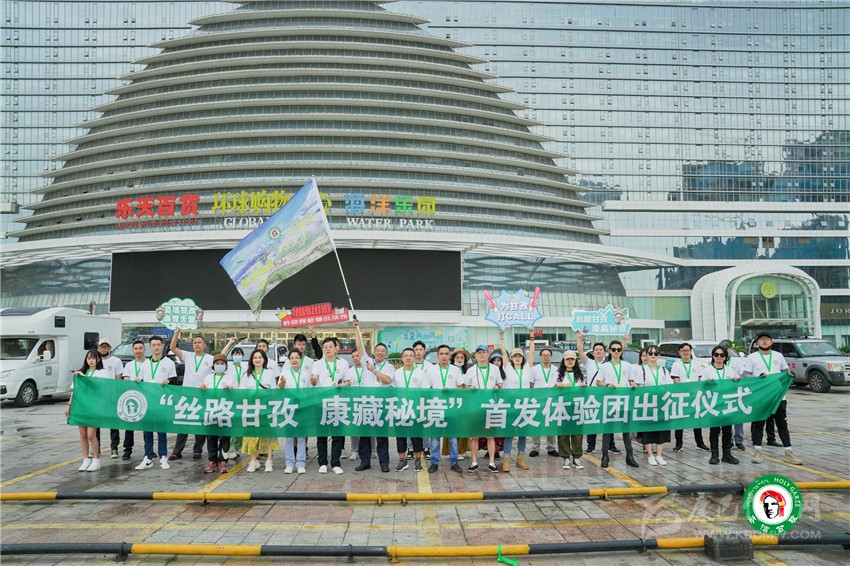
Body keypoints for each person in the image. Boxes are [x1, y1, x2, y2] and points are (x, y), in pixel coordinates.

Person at [744, 333, 802, 465]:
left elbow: (785, 371)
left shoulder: (778, 355)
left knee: (782, 424)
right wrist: (759, 377)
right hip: (761, 396)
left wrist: (789, 374)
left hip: (778, 396)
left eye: (767, 340)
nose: (764, 342)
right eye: (761, 340)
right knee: (759, 424)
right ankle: (757, 452)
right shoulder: (752, 357)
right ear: (757, 343)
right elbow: (746, 375)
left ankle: (789, 452)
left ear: (771, 342)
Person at [168, 330, 219, 460]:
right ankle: (177, 451)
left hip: (202, 395)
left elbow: (221, 357)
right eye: (195, 342)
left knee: (200, 423)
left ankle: (197, 450)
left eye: (199, 342)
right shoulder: (188, 356)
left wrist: (229, 343)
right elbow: (172, 348)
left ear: (204, 345)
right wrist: (176, 333)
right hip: (187, 396)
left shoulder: (210, 358)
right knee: (184, 423)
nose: (197, 344)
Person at [352, 319, 394, 473]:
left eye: (383, 351)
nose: (380, 353)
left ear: (386, 354)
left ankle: (384, 463)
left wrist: (374, 371)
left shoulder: (389, 366)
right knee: (364, 435)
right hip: (366, 404)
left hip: (381, 405)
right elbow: (359, 346)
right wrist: (356, 327)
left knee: (382, 436)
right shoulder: (367, 361)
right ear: (374, 352)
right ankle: (365, 462)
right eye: (378, 350)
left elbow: (387, 380)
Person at [126, 339, 172, 471]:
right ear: (150, 347)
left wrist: (169, 381)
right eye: (154, 345)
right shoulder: (145, 364)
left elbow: (174, 380)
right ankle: (148, 457)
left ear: (162, 346)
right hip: (147, 402)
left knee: (161, 431)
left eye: (158, 345)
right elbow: (141, 380)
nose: (156, 347)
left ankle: (163, 456)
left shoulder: (168, 362)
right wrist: (137, 381)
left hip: (161, 402)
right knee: (147, 431)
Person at [597, 340, 639, 468]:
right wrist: (607, 385)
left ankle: (630, 456)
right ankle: (605, 456)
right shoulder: (605, 366)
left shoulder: (627, 365)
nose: (616, 352)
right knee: (607, 430)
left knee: (626, 430)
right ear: (610, 351)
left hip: (624, 401)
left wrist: (633, 384)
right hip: (610, 402)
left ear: (621, 351)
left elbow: (631, 380)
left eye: (618, 349)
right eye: (614, 349)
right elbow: (598, 382)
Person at [65, 349, 110, 472]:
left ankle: (96, 460)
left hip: (94, 407)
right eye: (89, 358)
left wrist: (85, 378)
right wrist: (69, 405)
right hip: (81, 406)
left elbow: (100, 387)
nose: (91, 360)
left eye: (93, 358)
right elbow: (75, 391)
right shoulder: (81, 372)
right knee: (83, 434)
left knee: (91, 435)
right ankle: (85, 459)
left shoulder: (102, 372)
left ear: (98, 359)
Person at [311, 337, 350, 474]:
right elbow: (314, 381)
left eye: (330, 346)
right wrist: (313, 380)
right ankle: (322, 463)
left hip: (337, 403)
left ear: (336, 348)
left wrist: (341, 385)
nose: (327, 349)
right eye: (325, 347)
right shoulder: (318, 364)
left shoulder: (343, 363)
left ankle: (335, 463)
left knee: (337, 435)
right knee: (321, 435)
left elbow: (348, 381)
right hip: (320, 403)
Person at [577, 332, 620, 455]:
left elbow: (619, 350)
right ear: (593, 352)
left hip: (606, 396)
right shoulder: (589, 362)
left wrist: (624, 339)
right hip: (592, 396)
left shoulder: (609, 364)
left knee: (608, 421)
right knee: (592, 421)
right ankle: (591, 446)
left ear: (605, 352)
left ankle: (611, 445)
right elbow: (580, 352)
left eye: (601, 350)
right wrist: (579, 338)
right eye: (596, 350)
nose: (599, 351)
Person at [499, 329, 534, 472]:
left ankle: (520, 460)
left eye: (520, 356)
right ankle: (506, 460)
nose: (517, 358)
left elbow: (532, 353)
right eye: (515, 356)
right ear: (511, 358)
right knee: (509, 434)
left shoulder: (527, 368)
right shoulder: (507, 368)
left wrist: (532, 337)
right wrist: (501, 338)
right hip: (511, 405)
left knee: (522, 434)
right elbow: (503, 353)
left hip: (524, 405)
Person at [426, 344, 464, 474]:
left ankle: (454, 462)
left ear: (449, 355)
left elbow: (461, 387)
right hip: (436, 408)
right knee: (435, 438)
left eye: (446, 354)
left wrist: (451, 392)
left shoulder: (455, 370)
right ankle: (434, 462)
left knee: (453, 438)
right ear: (437, 355)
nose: (444, 356)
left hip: (451, 408)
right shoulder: (431, 371)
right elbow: (427, 389)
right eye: (441, 354)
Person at [464, 344, 501, 473]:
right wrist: (470, 388)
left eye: (483, 352)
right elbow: (465, 386)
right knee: (474, 436)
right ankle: (474, 462)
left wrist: (497, 387)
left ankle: (492, 462)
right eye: (479, 352)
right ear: (475, 355)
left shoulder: (495, 369)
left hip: (490, 406)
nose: (481, 355)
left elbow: (500, 383)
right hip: (475, 406)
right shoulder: (471, 370)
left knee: (490, 436)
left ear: (488, 354)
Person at [242, 349, 279, 472]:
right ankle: (253, 461)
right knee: (252, 435)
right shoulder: (247, 374)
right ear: (251, 360)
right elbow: (241, 392)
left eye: (260, 357)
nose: (257, 360)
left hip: (266, 408)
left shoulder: (269, 373)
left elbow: (273, 391)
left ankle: (269, 461)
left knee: (268, 434)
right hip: (251, 408)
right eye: (255, 358)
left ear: (264, 360)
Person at [393, 347, 430, 472]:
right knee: (400, 436)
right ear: (402, 358)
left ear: (414, 358)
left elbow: (425, 392)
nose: (408, 358)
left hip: (415, 409)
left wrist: (422, 409)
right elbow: (392, 391)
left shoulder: (421, 373)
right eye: (405, 355)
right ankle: (402, 460)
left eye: (411, 355)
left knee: (416, 436)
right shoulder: (397, 373)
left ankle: (418, 460)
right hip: (400, 409)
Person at [636, 346, 673, 466]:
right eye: (650, 353)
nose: (653, 355)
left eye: (656, 353)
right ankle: (650, 455)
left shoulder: (664, 370)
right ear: (646, 355)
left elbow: (669, 386)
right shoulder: (642, 370)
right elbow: (640, 387)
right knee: (648, 430)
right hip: (648, 404)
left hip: (661, 404)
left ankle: (659, 455)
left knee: (661, 430)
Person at [704, 345, 740, 466]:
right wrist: (706, 384)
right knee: (714, 430)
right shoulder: (708, 370)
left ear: (726, 357)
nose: (719, 357)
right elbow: (701, 388)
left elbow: (736, 386)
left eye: (722, 355)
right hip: (714, 404)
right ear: (713, 356)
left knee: (727, 430)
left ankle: (727, 454)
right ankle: (714, 454)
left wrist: (736, 380)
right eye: (716, 355)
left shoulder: (730, 371)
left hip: (727, 404)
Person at [670, 342, 710, 453]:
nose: (685, 352)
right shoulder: (676, 365)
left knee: (696, 420)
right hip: (681, 396)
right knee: (680, 421)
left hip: (694, 396)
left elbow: (700, 380)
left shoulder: (696, 365)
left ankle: (700, 443)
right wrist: (685, 390)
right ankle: (679, 444)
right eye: (683, 350)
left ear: (691, 351)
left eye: (687, 350)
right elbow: (676, 381)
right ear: (680, 352)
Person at [200, 354, 235, 473]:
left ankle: (223, 461)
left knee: (225, 437)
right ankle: (213, 461)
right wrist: (202, 388)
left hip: (224, 411)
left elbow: (235, 393)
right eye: (217, 363)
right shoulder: (208, 378)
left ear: (226, 366)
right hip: (211, 411)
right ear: (213, 365)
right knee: (211, 437)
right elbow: (203, 393)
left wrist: (230, 389)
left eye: (222, 364)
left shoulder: (230, 378)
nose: (219, 366)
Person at [98, 338, 132, 461]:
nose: (103, 348)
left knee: (113, 423)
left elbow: (118, 379)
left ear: (110, 348)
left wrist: (116, 394)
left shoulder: (116, 361)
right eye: (101, 346)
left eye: (106, 346)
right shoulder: (95, 360)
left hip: (111, 396)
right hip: (98, 397)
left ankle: (114, 447)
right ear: (98, 348)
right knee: (96, 423)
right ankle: (96, 447)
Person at [278, 349, 310, 474]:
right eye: (292, 358)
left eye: (297, 357)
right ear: (289, 360)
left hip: (302, 408)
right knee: (289, 437)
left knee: (301, 437)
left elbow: (309, 390)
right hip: (289, 407)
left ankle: (301, 463)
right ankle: (289, 463)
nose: (294, 360)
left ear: (300, 359)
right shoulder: (284, 373)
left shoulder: (306, 374)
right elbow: (280, 388)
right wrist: (282, 382)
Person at [554, 350, 585, 470]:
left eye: (572, 359)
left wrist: (584, 386)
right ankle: (565, 457)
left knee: (577, 433)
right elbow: (552, 388)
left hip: (577, 406)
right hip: (562, 406)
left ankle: (577, 456)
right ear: (564, 361)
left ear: (575, 361)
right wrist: (558, 385)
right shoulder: (558, 374)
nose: (570, 361)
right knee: (563, 433)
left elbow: (584, 389)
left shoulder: (580, 374)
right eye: (568, 359)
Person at [529, 348, 559, 458]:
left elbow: (558, 384)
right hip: (538, 401)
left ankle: (551, 448)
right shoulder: (535, 369)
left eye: (548, 355)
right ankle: (535, 448)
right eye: (544, 355)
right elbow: (531, 384)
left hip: (551, 401)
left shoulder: (556, 370)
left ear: (551, 356)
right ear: (540, 357)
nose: (546, 356)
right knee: (536, 424)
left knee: (551, 424)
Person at [449, 347, 471, 461]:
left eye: (462, 358)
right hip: (452, 403)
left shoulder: (468, 371)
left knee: (462, 427)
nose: (459, 359)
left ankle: (461, 450)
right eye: (457, 357)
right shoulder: (449, 371)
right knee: (452, 428)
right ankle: (452, 451)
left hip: (465, 403)